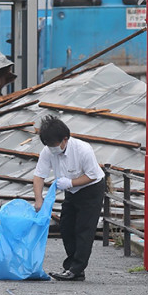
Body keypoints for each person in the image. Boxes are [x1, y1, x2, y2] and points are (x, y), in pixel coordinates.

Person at [32, 115, 105, 282]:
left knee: (84, 229)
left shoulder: (83, 150)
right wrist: (38, 199)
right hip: (71, 191)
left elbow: (92, 175)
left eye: (54, 145)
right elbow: (39, 175)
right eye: (48, 146)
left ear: (65, 139)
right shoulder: (48, 151)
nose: (52, 149)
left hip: (91, 189)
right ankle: (71, 266)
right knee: (66, 227)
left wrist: (71, 182)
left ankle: (76, 269)